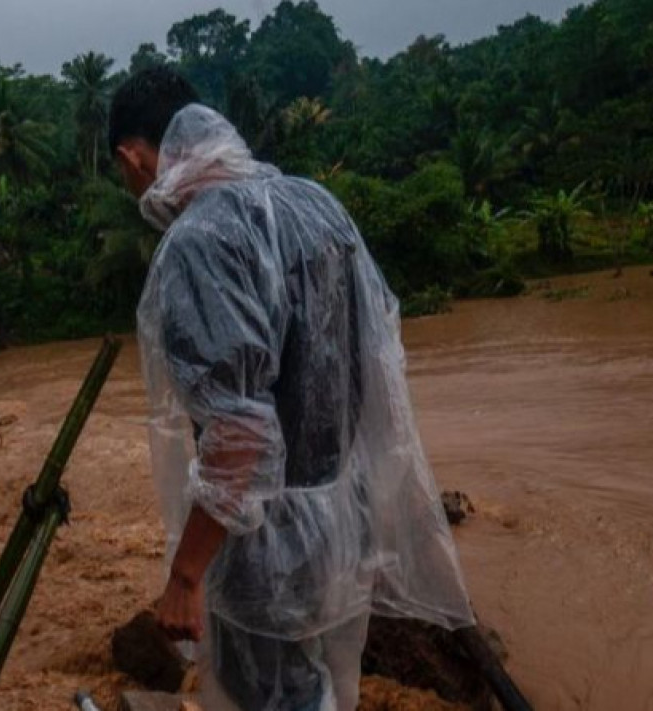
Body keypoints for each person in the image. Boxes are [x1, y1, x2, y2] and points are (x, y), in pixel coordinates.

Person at [108, 67, 475, 711]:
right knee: (323, 688)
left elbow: (238, 430)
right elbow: (379, 358)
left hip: (264, 543)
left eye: (125, 173)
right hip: (344, 517)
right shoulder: (314, 206)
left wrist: (186, 575)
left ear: (133, 157)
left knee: (280, 698)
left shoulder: (201, 241)